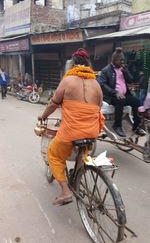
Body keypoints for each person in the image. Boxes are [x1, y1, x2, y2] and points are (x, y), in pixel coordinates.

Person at [38, 48, 104, 206]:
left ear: (72, 64)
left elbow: (53, 104)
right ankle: (79, 172)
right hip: (92, 133)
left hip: (70, 133)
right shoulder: (96, 83)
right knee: (82, 153)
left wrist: (43, 116)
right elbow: (99, 106)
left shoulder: (67, 81)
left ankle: (65, 191)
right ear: (88, 65)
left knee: (52, 153)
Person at [97, 47, 146, 137]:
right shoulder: (106, 70)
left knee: (136, 101)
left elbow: (130, 80)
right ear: (114, 60)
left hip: (124, 95)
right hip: (111, 97)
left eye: (123, 60)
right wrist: (115, 92)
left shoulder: (123, 68)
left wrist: (126, 72)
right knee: (120, 100)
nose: (122, 62)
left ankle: (136, 126)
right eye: (121, 60)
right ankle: (117, 125)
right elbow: (102, 84)